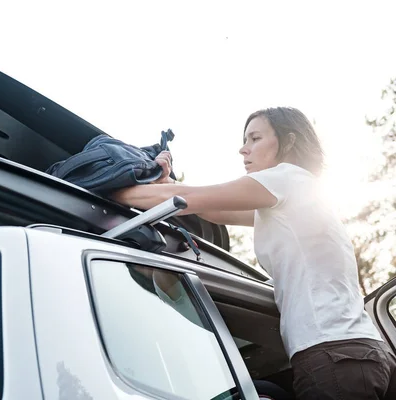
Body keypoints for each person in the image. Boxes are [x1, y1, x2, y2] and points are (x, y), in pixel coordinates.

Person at [111, 106, 396, 399]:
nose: (243, 149)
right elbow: (213, 209)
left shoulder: (286, 177)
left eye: (255, 138)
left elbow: (190, 199)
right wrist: (163, 182)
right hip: (368, 353)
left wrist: (111, 191)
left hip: (333, 354)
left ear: (290, 141)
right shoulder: (296, 195)